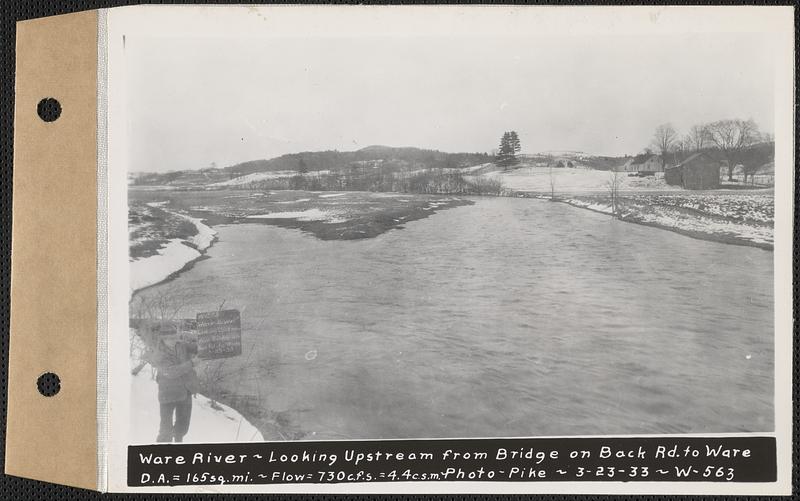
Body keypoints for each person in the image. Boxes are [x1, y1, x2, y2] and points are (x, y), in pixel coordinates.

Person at [149, 326, 200, 443]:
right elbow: (170, 372)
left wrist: (205, 344)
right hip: (168, 394)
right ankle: (161, 454)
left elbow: (197, 349)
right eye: (168, 338)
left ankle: (178, 444)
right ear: (162, 339)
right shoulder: (158, 354)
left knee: (183, 426)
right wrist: (191, 363)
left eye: (173, 337)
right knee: (165, 430)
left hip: (185, 391)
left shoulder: (181, 345)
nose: (172, 341)